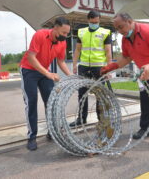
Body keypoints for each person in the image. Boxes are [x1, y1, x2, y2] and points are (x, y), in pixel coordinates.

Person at [101, 12, 149, 152]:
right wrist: (112, 66)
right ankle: (146, 128)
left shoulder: (148, 31)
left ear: (130, 21)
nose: (120, 31)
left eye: (121, 27)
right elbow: (127, 57)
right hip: (145, 69)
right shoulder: (125, 39)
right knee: (146, 99)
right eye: (117, 28)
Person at [19, 16, 72, 151]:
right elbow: (31, 58)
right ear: (55, 28)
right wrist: (48, 74)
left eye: (67, 33)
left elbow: (61, 61)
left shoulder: (62, 43)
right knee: (31, 102)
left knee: (51, 102)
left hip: (44, 72)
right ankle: (32, 137)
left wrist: (71, 76)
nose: (65, 36)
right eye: (63, 33)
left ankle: (52, 132)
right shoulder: (40, 35)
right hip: (29, 70)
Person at [69, 10, 112, 127]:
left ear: (99, 20)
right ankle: (81, 119)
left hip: (99, 67)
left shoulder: (105, 32)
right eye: (92, 22)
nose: (94, 24)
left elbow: (108, 52)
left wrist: (109, 68)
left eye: (97, 22)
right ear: (88, 20)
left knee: (100, 94)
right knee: (82, 93)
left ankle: (102, 119)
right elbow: (77, 49)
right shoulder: (81, 32)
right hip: (83, 66)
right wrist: (74, 64)